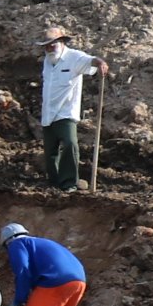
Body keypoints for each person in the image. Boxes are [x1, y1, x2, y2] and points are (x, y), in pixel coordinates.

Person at [37, 26, 107, 192]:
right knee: (50, 151)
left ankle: (69, 182)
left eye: (52, 45)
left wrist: (100, 63)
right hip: (48, 113)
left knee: (70, 144)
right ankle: (54, 183)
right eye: (46, 46)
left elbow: (91, 60)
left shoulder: (73, 57)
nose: (49, 49)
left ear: (61, 43)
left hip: (66, 112)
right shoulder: (48, 61)